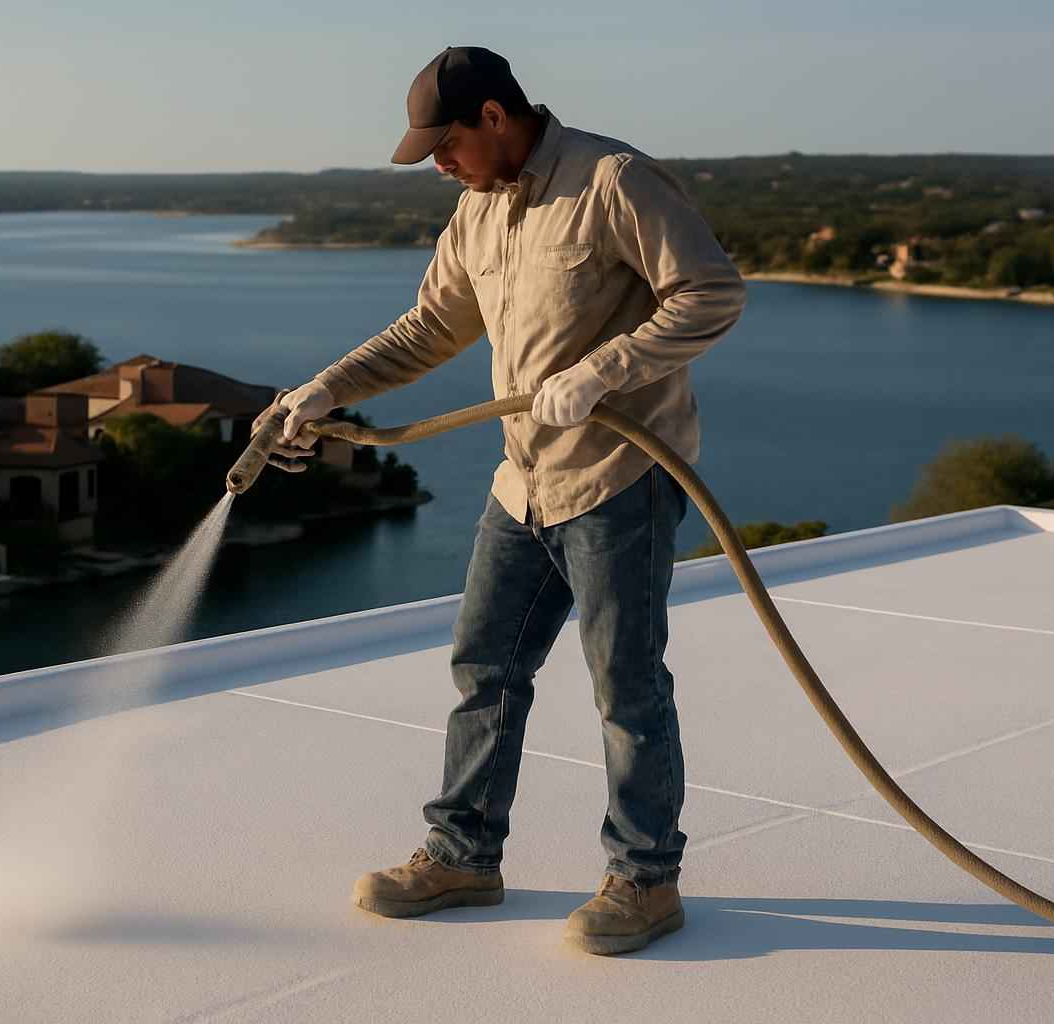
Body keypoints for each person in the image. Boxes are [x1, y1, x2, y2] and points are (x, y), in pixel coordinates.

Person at [255, 45, 746, 955]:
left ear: (494, 116)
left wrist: (606, 370)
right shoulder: (475, 209)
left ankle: (646, 882)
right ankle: (463, 856)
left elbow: (711, 293)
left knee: (626, 686)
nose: (440, 165)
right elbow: (429, 327)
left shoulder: (613, 181)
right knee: (484, 669)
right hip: (522, 484)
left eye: (446, 145)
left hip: (618, 481)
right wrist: (328, 389)